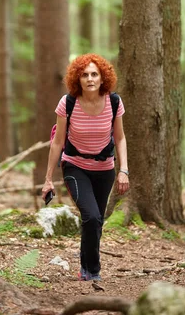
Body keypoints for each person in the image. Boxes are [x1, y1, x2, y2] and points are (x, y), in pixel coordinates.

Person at [41, 53, 129, 281]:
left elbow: (119, 138)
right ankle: (93, 270)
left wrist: (123, 170)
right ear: (77, 79)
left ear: (102, 78)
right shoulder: (68, 103)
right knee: (90, 216)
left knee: (97, 220)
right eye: (84, 75)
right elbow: (58, 141)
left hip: (105, 169)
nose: (90, 79)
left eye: (94, 74)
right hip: (75, 166)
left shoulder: (114, 102)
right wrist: (48, 178)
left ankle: (86, 260)